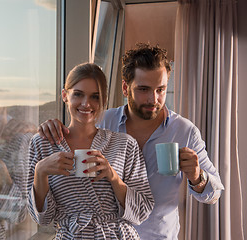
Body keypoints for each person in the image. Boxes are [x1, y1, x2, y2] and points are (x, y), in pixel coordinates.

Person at [38, 43, 225, 240]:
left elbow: (215, 194)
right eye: (144, 89)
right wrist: (51, 127)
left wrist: (197, 176)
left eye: (160, 89)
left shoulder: (184, 131)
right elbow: (72, 132)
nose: (154, 99)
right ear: (126, 88)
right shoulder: (102, 121)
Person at [27, 63, 154, 239]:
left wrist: (113, 176)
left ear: (103, 101)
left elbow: (142, 211)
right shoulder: (43, 144)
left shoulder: (125, 144)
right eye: (78, 94)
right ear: (65, 95)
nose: (86, 104)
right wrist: (40, 172)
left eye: (95, 97)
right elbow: (42, 218)